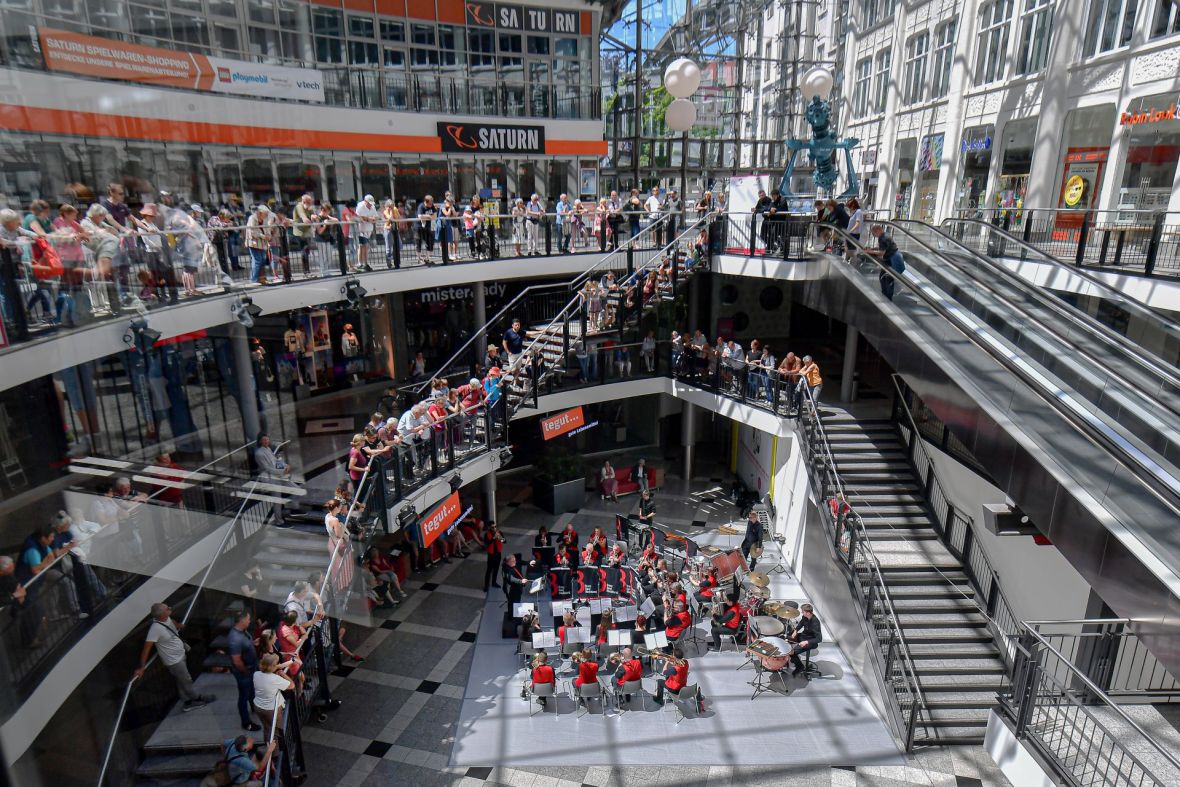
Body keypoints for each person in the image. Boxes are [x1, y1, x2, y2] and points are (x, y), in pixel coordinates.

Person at [135, 602, 214, 711]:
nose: (170, 608)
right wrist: (142, 667)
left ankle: (187, 701)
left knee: (180, 680)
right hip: (174, 661)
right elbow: (146, 649)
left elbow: (172, 623)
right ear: (162, 614)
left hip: (180, 655)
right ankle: (196, 698)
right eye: (167, 608)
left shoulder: (166, 618)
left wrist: (179, 625)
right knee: (186, 680)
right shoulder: (155, 629)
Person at [227, 609, 262, 731]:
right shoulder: (235, 638)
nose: (249, 620)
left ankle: (254, 708)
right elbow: (236, 660)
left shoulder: (243, 632)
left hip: (251, 669)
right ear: (242, 621)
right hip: (244, 672)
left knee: (252, 690)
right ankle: (246, 722)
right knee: (243, 696)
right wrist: (245, 672)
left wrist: (252, 643)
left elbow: (245, 645)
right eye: (247, 619)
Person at [252, 653, 293, 740]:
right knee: (277, 731)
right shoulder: (274, 678)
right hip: (271, 709)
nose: (278, 664)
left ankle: (268, 746)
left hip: (258, 706)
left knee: (267, 728)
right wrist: (283, 674)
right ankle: (277, 752)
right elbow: (292, 685)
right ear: (273, 666)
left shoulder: (256, 674)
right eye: (277, 663)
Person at [867, 223, 905, 300]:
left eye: (873, 233)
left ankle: (887, 297)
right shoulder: (884, 235)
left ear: (878, 231)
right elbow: (882, 247)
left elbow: (881, 253)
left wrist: (869, 251)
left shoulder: (883, 238)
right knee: (883, 277)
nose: (873, 235)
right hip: (891, 258)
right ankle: (885, 295)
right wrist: (873, 249)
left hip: (892, 259)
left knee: (888, 278)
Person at [787, 603, 823, 675]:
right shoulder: (805, 617)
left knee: (791, 652)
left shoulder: (815, 622)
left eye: (803, 611)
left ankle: (800, 667)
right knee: (786, 638)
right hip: (803, 636)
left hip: (811, 642)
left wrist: (806, 642)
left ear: (808, 613)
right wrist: (795, 631)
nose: (801, 613)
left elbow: (819, 639)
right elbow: (800, 624)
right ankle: (785, 663)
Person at [483, 521, 503, 593]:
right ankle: (486, 586)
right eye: (492, 527)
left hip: (498, 554)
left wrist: (500, 538)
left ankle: (494, 582)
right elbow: (487, 544)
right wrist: (493, 538)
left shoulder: (499, 532)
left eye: (495, 526)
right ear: (489, 527)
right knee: (489, 570)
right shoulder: (486, 534)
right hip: (491, 555)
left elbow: (504, 541)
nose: (494, 528)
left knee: (496, 569)